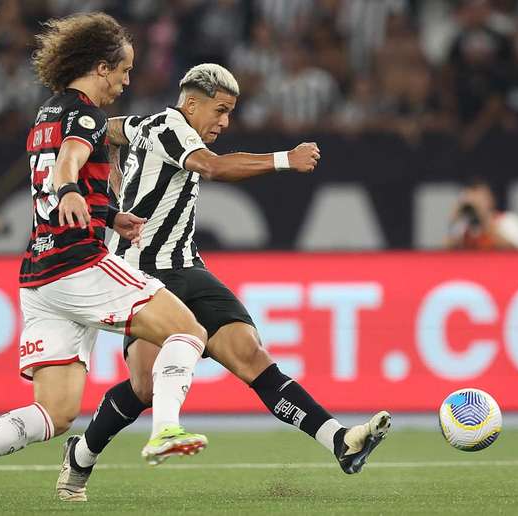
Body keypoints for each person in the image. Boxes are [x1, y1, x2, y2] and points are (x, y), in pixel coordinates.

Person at [55, 63, 391, 502]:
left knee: (251, 355)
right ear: (191, 103)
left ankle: (340, 440)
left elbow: (109, 130)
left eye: (230, 112)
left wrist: (113, 169)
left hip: (189, 268)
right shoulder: (170, 126)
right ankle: (80, 455)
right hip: (142, 273)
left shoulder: (147, 125)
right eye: (220, 110)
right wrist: (284, 159)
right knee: (146, 387)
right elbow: (211, 169)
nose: (225, 122)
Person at [0, 13, 211, 510]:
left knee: (56, 413)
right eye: (122, 72)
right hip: (78, 264)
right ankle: (166, 428)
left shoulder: (45, 115)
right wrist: (68, 188)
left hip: (39, 278)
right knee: (187, 331)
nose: (124, 83)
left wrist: (111, 214)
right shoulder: (85, 114)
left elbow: (60, 171)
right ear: (100, 67)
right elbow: (67, 165)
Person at [447, 178, 518, 250]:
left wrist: (484, 218)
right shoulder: (463, 225)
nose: (475, 203)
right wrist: (455, 219)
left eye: (479, 198)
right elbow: (446, 250)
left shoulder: (508, 220)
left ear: (491, 199)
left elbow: (514, 250)